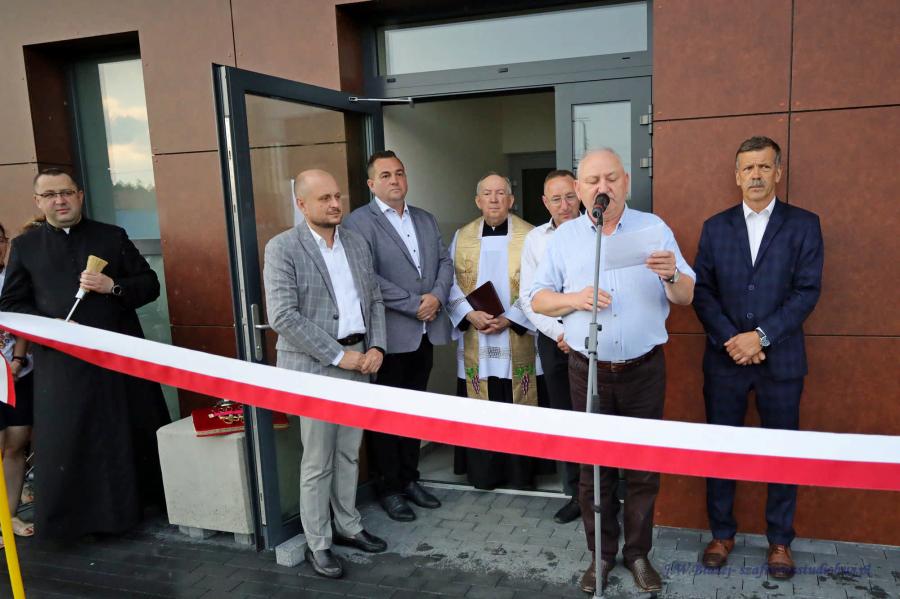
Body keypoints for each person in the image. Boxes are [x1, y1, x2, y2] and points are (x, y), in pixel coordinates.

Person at [532, 148, 695, 594]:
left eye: (610, 179)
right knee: (594, 470)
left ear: (626, 182)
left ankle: (637, 554)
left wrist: (671, 275)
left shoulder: (653, 228)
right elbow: (537, 298)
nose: (602, 188)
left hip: (644, 370)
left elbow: (685, 296)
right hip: (588, 370)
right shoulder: (565, 239)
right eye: (592, 181)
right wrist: (575, 299)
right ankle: (601, 556)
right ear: (580, 189)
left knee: (643, 468)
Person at [0, 168, 170, 541]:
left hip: (117, 357)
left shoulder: (112, 236)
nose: (59, 200)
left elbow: (150, 285)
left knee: (122, 431)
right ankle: (73, 523)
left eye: (66, 192)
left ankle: (134, 512)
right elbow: (11, 304)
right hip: (61, 364)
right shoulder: (25, 246)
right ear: (38, 202)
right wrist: (52, 326)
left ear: (79, 195)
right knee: (70, 437)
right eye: (50, 195)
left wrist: (113, 286)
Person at [693, 136, 824, 580]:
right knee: (721, 451)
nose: (755, 175)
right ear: (736, 176)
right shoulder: (715, 227)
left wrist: (761, 337)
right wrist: (734, 339)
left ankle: (780, 541)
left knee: (781, 452)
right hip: (725, 360)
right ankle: (721, 534)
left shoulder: (804, 224)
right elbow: (703, 291)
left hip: (781, 363)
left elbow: (807, 291)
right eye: (748, 168)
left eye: (764, 167)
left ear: (778, 173)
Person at [263, 168, 388, 579]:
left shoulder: (355, 242)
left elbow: (374, 300)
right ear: (302, 204)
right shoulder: (283, 248)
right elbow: (283, 316)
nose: (335, 204)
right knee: (318, 460)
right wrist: (338, 356)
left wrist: (376, 346)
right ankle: (318, 542)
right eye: (324, 199)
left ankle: (348, 525)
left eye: (337, 196)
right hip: (315, 367)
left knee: (349, 452)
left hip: (360, 359)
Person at [343, 151, 452, 522]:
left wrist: (436, 296)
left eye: (400, 173)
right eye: (386, 175)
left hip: (424, 332)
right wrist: (413, 304)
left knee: (414, 410)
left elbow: (445, 262)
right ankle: (389, 488)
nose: (395, 180)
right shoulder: (359, 222)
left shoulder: (425, 218)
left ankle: (410, 478)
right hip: (389, 336)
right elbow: (366, 276)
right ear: (371, 184)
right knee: (387, 416)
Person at [447, 172, 547, 490]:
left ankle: (520, 475)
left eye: (500, 193)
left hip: (515, 332)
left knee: (518, 398)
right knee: (482, 402)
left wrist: (511, 318)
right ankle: (484, 474)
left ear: (511, 199)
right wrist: (469, 314)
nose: (494, 199)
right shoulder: (461, 237)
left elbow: (540, 284)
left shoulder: (530, 236)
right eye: (487, 193)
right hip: (477, 333)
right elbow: (448, 282)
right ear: (477, 201)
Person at [519, 170, 582, 524]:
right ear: (545, 203)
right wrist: (560, 332)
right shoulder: (535, 240)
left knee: (597, 417)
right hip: (554, 339)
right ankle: (575, 493)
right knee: (564, 417)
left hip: (595, 340)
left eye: (569, 196)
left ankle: (603, 493)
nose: (564, 205)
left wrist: (577, 333)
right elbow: (528, 297)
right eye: (555, 199)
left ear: (580, 194)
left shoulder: (597, 232)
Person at [0, 221, 34, 545]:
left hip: (17, 375)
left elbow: (23, 323)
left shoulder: (12, 277)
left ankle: (9, 514)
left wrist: (18, 361)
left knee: (16, 443)